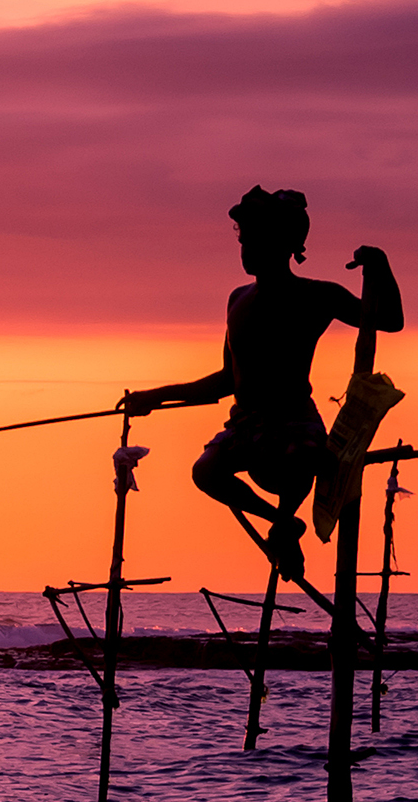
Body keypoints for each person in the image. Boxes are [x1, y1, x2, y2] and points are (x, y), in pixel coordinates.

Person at [120, 187, 402, 605]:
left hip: (293, 420)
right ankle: (283, 524)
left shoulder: (316, 295)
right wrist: (154, 398)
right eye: (243, 239)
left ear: (285, 245)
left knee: (305, 457)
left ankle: (285, 520)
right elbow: (224, 381)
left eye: (255, 239)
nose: (246, 248)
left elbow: (389, 321)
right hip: (246, 425)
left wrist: (382, 268)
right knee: (206, 472)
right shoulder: (238, 299)